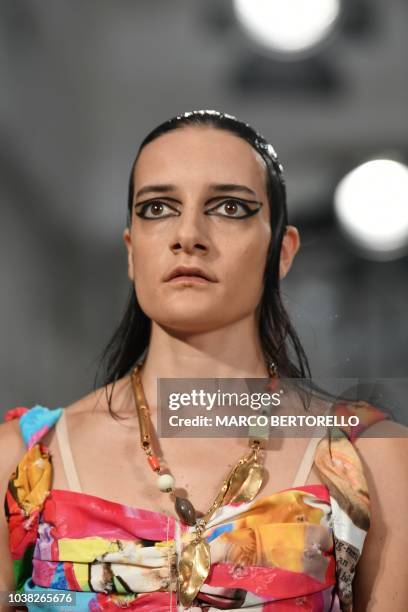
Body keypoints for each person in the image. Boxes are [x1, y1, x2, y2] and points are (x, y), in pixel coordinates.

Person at [0, 110, 407, 611]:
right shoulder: (21, 462)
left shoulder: (376, 460)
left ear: (282, 250)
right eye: (157, 208)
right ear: (132, 251)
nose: (188, 234)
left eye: (230, 207)